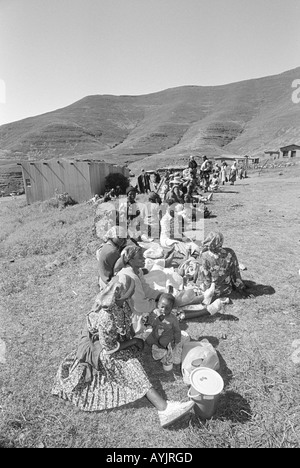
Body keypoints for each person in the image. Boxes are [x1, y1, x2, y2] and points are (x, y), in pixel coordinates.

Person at [51, 275, 194, 427]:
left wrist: (132, 338)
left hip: (114, 341)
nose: (133, 292)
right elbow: (109, 348)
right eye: (132, 290)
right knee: (132, 367)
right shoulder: (107, 316)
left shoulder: (122, 303)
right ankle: (164, 409)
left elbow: (125, 325)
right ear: (123, 294)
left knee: (135, 355)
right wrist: (132, 341)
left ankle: (161, 405)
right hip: (102, 350)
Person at [115, 245, 162, 334]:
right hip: (132, 315)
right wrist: (157, 304)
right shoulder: (131, 278)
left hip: (137, 307)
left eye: (143, 256)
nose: (144, 259)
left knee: (166, 303)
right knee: (167, 313)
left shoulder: (137, 271)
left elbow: (145, 289)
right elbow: (140, 306)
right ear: (131, 261)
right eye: (140, 257)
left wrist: (160, 295)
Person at [197, 231, 250, 298]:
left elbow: (206, 277)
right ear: (221, 241)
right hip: (226, 289)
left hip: (211, 291)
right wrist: (241, 288)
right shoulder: (230, 252)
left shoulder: (205, 255)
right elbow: (235, 272)